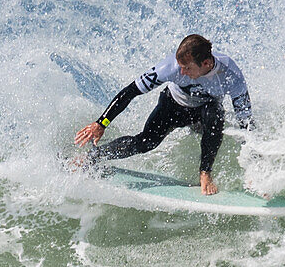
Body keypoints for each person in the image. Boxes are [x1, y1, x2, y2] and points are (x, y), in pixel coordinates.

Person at [73, 34, 254, 195]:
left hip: (204, 111)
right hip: (173, 106)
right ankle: (91, 157)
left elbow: (245, 121)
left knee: (214, 114)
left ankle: (205, 172)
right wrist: (101, 123)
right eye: (180, 67)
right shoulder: (170, 67)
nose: (181, 72)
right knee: (144, 143)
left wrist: (255, 162)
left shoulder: (231, 74)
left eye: (187, 68)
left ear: (206, 63)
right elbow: (130, 92)